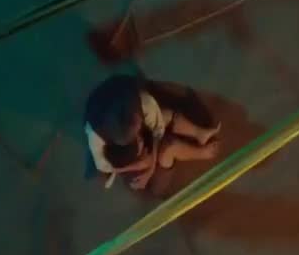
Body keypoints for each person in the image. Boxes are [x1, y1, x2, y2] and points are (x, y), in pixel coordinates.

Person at [84, 75, 221, 191]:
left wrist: (151, 162)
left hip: (131, 114)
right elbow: (104, 166)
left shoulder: (143, 104)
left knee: (165, 116)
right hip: (128, 157)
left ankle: (199, 133)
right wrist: (142, 166)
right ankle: (202, 153)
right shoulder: (97, 134)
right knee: (168, 149)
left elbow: (157, 129)